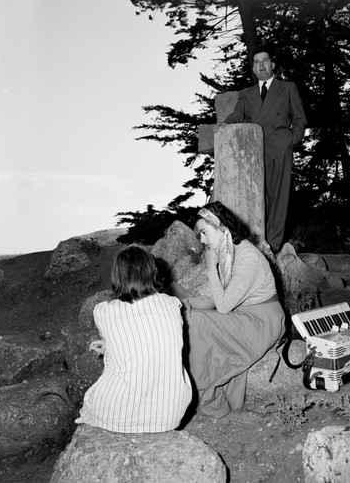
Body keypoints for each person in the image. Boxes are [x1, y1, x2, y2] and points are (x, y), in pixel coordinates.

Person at [183, 201, 285, 419]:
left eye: (204, 232)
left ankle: (202, 393)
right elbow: (211, 297)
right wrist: (184, 305)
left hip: (261, 321)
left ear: (221, 227)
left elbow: (223, 305)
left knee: (197, 322)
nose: (202, 240)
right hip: (244, 315)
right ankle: (195, 388)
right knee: (191, 316)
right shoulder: (228, 253)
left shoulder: (247, 256)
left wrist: (211, 269)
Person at [75, 245, 192, 433]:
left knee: (96, 395)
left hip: (120, 414)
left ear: (117, 276)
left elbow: (131, 341)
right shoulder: (172, 304)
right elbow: (151, 343)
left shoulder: (103, 311)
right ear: (152, 271)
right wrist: (110, 347)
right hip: (170, 412)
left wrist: (109, 348)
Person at [224, 46, 307, 252]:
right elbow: (238, 114)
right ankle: (255, 244)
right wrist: (225, 124)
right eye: (257, 62)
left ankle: (273, 246)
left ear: (273, 65)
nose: (261, 65)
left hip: (280, 146)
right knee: (256, 197)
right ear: (253, 69)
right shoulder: (246, 94)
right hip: (253, 150)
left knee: (279, 199)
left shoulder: (287, 88)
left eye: (265, 61)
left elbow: (299, 119)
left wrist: (292, 140)